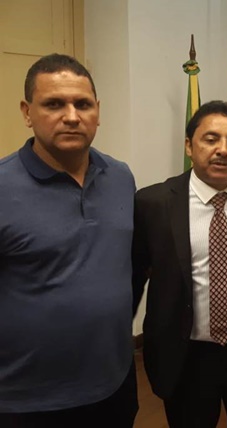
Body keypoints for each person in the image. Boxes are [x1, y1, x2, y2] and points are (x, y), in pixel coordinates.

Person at [0, 54, 138, 427]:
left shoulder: (120, 177)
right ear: (27, 112)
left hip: (113, 385)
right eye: (54, 104)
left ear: (98, 111)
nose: (72, 116)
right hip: (26, 401)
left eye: (83, 104)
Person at [132, 100, 227, 427]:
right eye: (211, 139)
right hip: (186, 354)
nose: (223, 150)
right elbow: (135, 275)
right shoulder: (153, 202)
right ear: (189, 146)